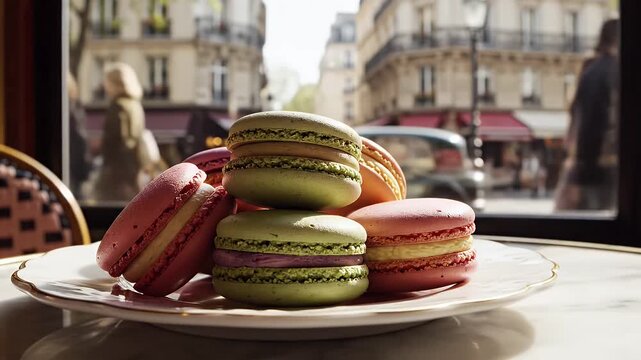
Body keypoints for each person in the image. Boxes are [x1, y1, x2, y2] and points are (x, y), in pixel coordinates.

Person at [555, 19, 619, 211]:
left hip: (594, 171)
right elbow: (588, 129)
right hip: (600, 172)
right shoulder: (608, 71)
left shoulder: (594, 71)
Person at [94, 62, 157, 201]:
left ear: (116, 83)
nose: (105, 86)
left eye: (107, 82)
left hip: (117, 176)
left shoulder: (118, 107)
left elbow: (118, 145)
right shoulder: (135, 105)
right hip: (133, 171)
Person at [67, 72, 91, 198]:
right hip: (73, 170)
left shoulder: (69, 108)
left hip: (71, 170)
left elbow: (78, 138)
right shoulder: (74, 107)